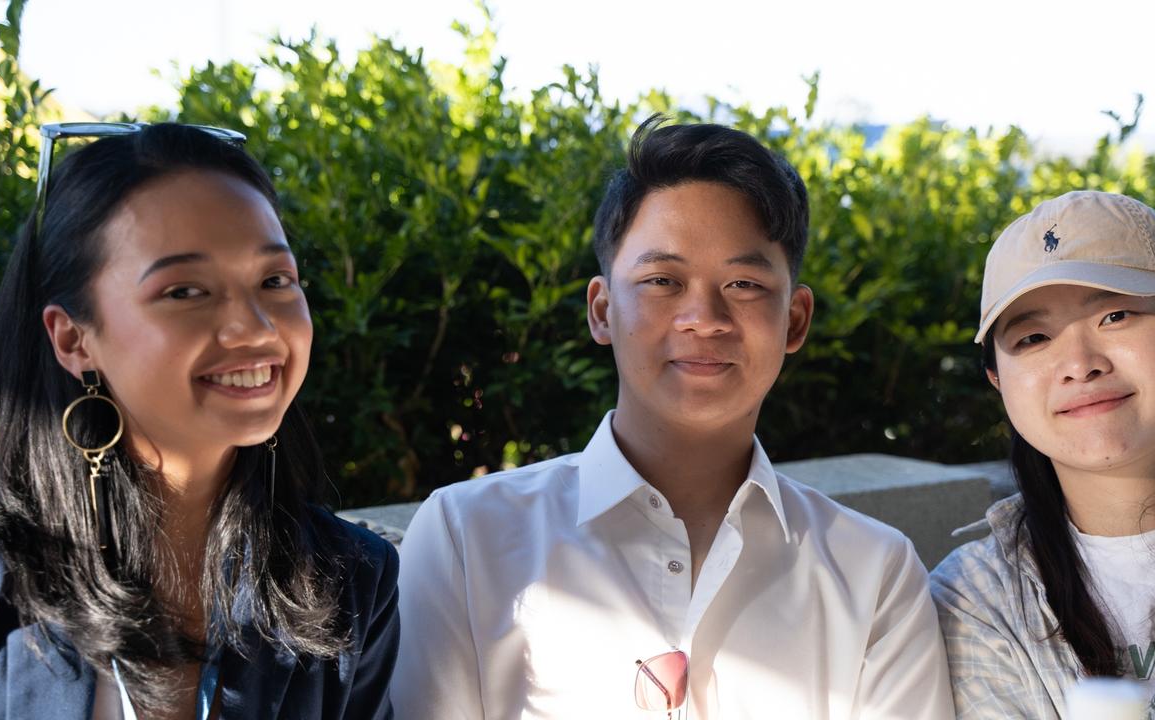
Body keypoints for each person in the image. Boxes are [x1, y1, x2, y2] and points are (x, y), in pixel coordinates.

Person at [394, 116, 953, 719]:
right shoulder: (465, 539)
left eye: (743, 283)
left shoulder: (874, 575)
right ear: (602, 310)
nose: (703, 317)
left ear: (794, 320)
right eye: (662, 280)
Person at [0, 123, 399, 719]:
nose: (256, 328)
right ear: (74, 338)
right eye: (185, 291)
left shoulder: (352, 582)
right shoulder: (0, 580)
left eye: (275, 281)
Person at [930, 190, 1155, 719]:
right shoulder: (976, 601)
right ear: (998, 382)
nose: (1079, 364)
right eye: (1033, 337)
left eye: (1115, 315)